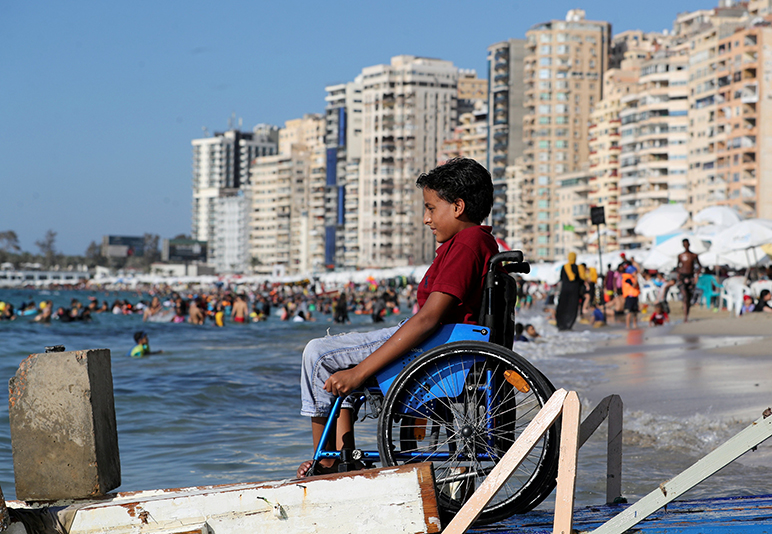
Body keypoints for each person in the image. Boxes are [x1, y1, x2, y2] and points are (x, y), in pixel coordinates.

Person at [296, 158, 497, 478]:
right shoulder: (474, 242)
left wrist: (360, 372)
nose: (425, 218)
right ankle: (339, 455)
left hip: (439, 341)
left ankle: (327, 462)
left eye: (431, 208)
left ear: (457, 207)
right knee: (337, 361)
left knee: (318, 354)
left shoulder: (467, 245)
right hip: (450, 341)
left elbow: (428, 319)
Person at [555, 252, 583, 331]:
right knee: (572, 309)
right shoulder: (579, 268)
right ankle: (569, 325)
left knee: (562, 308)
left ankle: (560, 324)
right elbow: (582, 280)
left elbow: (561, 278)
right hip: (575, 291)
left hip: (565, 291)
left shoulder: (564, 267)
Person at [676, 239, 701, 322]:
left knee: (689, 297)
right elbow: (678, 267)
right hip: (683, 277)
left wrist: (696, 276)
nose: (686, 246)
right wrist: (678, 275)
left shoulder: (693, 255)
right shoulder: (680, 256)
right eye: (684, 244)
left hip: (690, 276)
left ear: (689, 244)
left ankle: (687, 314)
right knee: (685, 297)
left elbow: (700, 266)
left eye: (687, 244)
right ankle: (685, 317)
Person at [622, 263, 640, 329]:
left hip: (634, 296)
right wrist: (636, 278)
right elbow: (633, 285)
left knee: (635, 311)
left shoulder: (632, 278)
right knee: (629, 312)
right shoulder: (627, 279)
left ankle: (634, 324)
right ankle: (627, 325)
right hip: (629, 297)